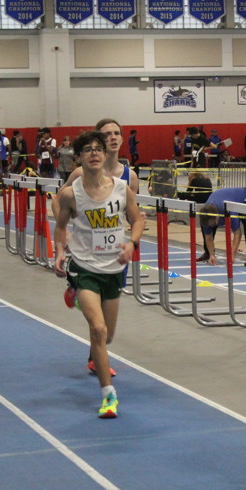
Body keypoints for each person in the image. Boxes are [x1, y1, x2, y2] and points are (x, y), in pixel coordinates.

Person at [53, 132, 144, 418]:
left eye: (98, 149)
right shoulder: (71, 193)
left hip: (113, 269)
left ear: (105, 156)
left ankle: (77, 296)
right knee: (98, 330)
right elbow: (60, 225)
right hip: (85, 267)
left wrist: (132, 243)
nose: (94, 153)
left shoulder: (122, 189)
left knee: (109, 336)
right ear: (79, 157)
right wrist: (60, 251)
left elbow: (137, 220)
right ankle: (108, 396)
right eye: (88, 150)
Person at [197, 187, 246, 267]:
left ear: (217, 217)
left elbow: (237, 233)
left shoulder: (229, 210)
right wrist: (212, 255)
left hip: (244, 197)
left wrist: (232, 255)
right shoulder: (205, 214)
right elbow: (208, 237)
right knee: (207, 228)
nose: (211, 225)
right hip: (222, 199)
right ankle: (208, 253)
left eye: (213, 223)